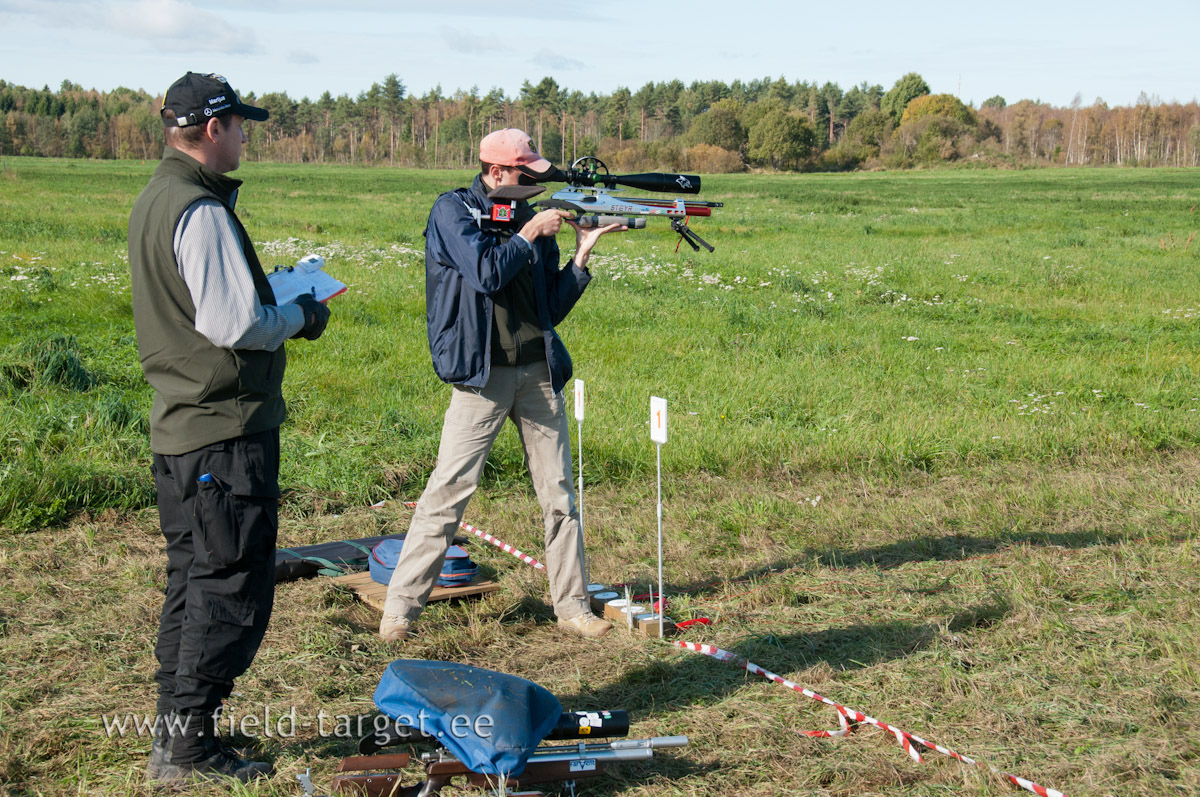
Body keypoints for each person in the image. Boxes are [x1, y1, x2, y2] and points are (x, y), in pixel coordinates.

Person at [128, 71, 331, 785]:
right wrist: (300, 314)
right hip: (224, 433)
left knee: (191, 583)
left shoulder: (155, 197)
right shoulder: (201, 210)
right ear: (213, 130)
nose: (246, 135)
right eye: (240, 124)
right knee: (229, 591)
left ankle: (174, 734)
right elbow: (233, 323)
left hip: (181, 430)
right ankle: (190, 749)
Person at [381, 129, 621, 642]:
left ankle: (574, 607)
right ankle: (399, 611)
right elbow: (486, 273)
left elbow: (549, 307)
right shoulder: (453, 213)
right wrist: (529, 232)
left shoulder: (532, 223)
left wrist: (581, 256)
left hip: (538, 372)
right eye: (525, 173)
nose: (536, 182)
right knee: (448, 493)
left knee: (559, 496)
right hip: (482, 376)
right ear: (495, 172)